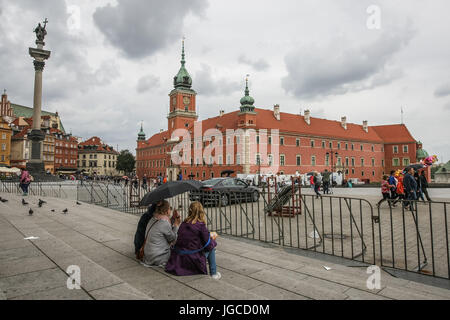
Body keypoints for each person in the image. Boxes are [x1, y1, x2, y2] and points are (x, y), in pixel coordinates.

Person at [165, 202, 221, 280]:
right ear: (201, 211)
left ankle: (213, 273)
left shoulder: (183, 223)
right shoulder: (201, 225)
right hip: (191, 259)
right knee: (211, 247)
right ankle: (214, 273)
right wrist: (212, 240)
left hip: (180, 258)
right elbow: (208, 245)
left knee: (208, 245)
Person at [142, 200, 181, 267]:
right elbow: (173, 239)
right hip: (158, 257)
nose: (170, 210)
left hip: (148, 255)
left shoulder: (153, 219)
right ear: (166, 211)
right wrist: (176, 225)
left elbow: (165, 229)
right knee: (180, 251)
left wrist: (173, 219)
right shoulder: (164, 222)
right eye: (170, 208)